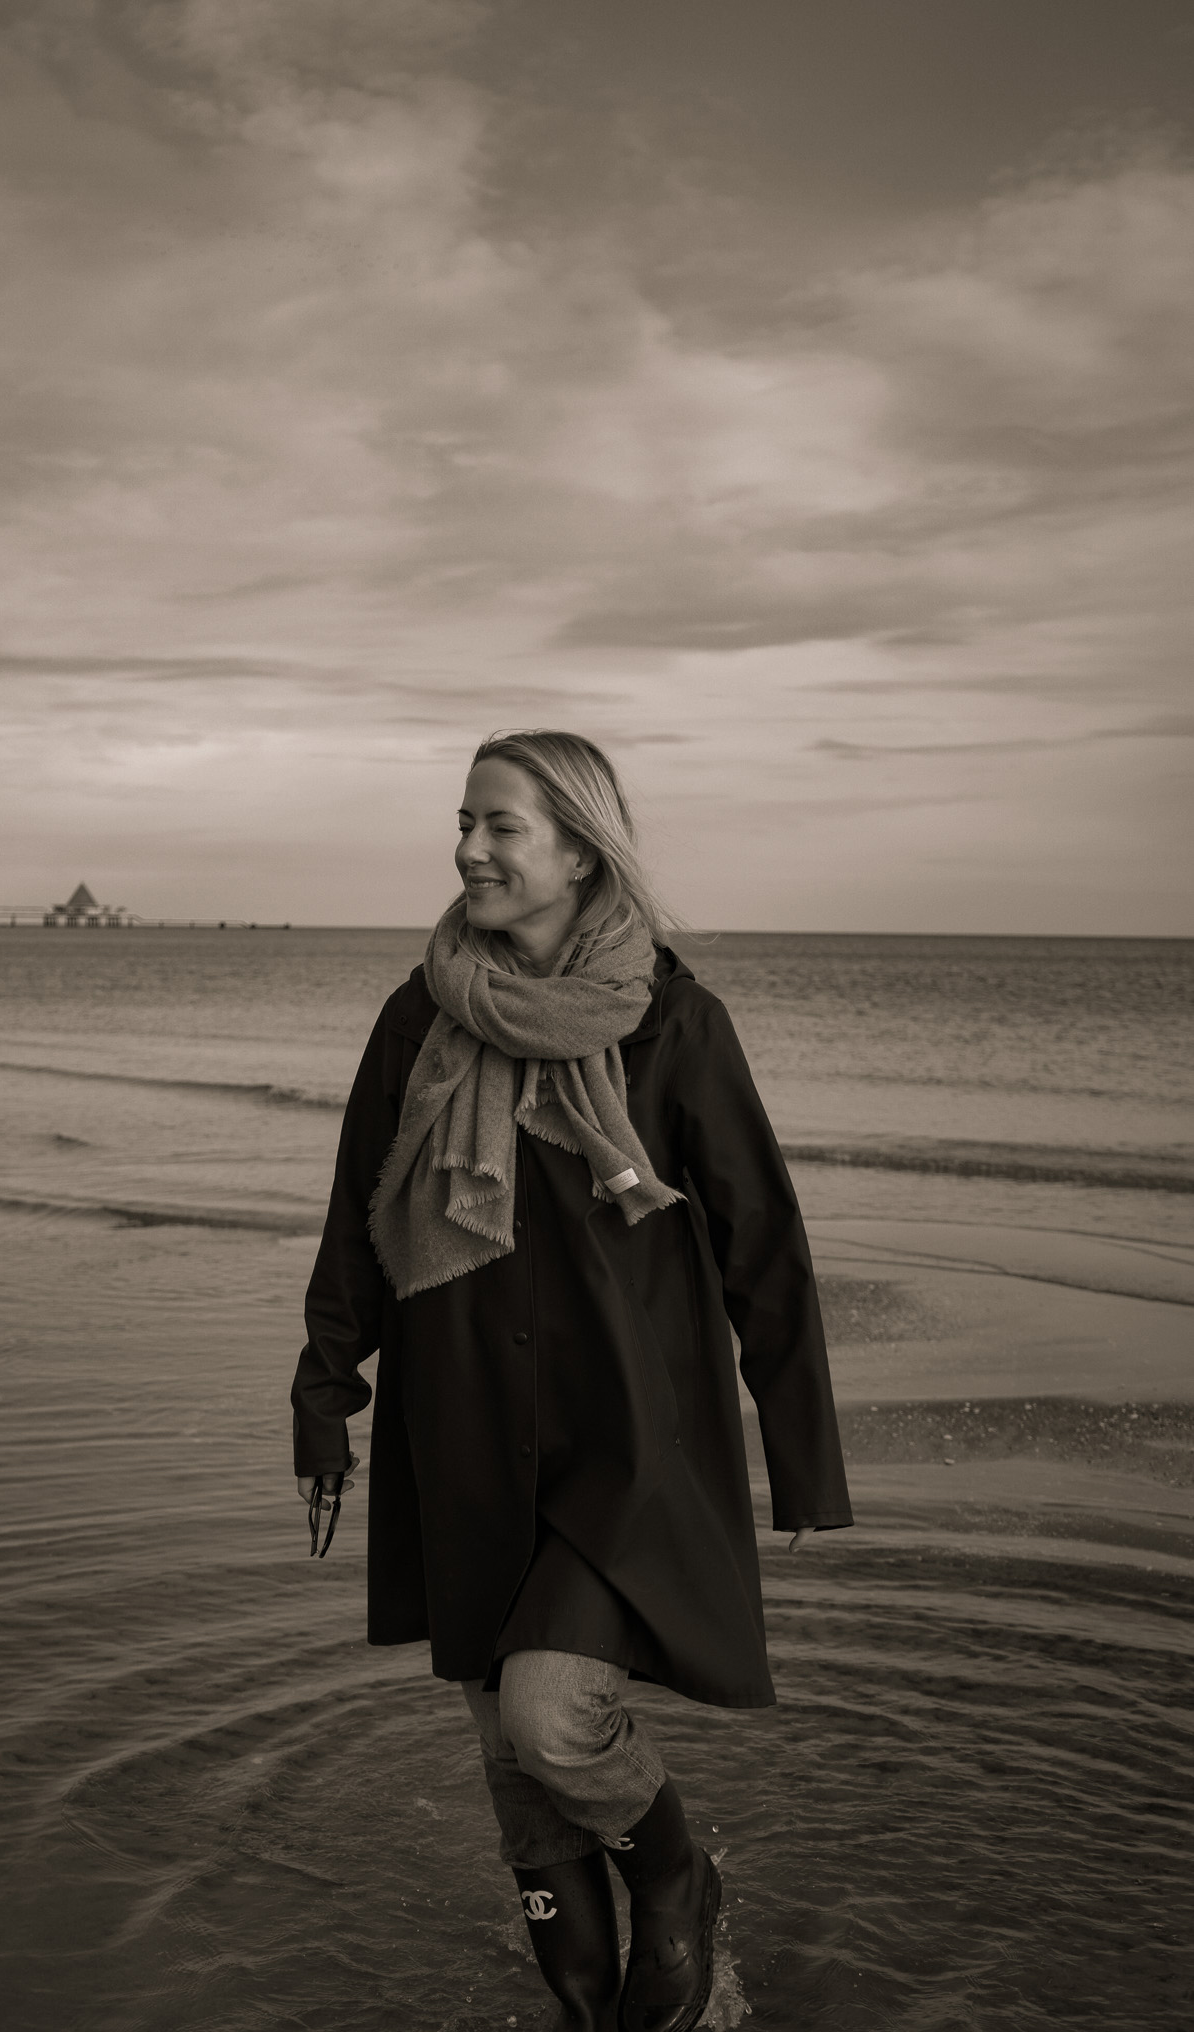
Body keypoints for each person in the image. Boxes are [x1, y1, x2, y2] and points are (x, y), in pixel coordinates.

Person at [292, 729, 852, 2032]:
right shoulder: (416, 1016)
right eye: (463, 821)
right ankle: (591, 2006)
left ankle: (678, 1877)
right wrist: (323, 1395)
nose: (469, 850)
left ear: (581, 853)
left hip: (626, 1437)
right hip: (461, 1423)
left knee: (550, 1720)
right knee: (506, 1750)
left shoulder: (675, 1023)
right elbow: (360, 1219)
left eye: (501, 827)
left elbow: (761, 1243)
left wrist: (800, 1456)